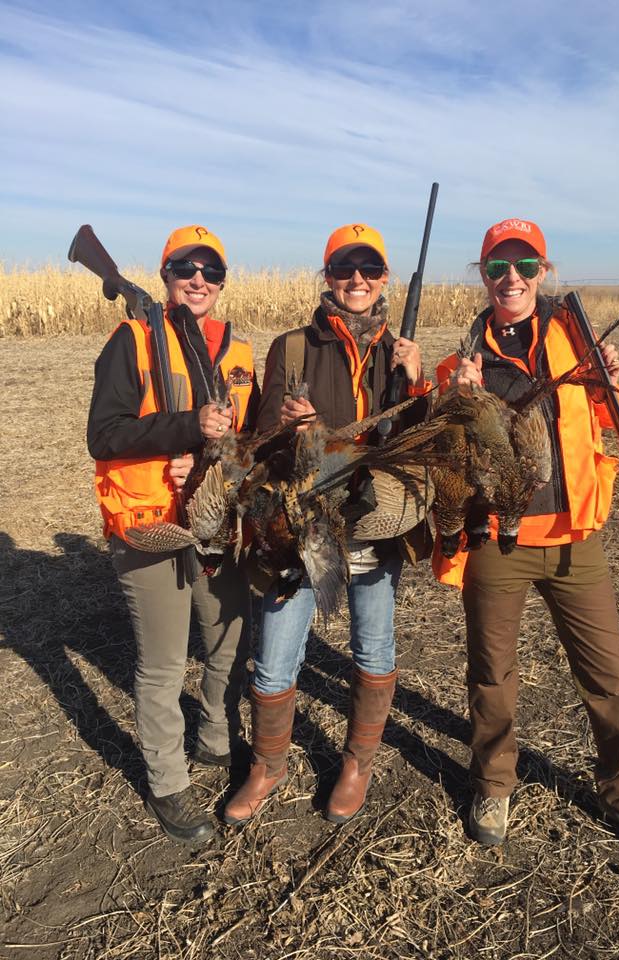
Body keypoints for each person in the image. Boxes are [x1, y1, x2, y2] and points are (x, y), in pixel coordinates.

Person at [433, 217, 619, 861]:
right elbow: (445, 458)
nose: (511, 278)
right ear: (482, 275)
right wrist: (451, 402)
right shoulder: (464, 361)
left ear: (544, 271)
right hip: (497, 541)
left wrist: (609, 380)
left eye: (525, 265)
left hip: (574, 539)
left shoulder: (578, 340)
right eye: (496, 267)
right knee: (493, 676)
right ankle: (493, 784)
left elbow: (608, 420)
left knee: (608, 676)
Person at [224, 222, 431, 826]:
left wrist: (417, 382)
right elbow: (259, 442)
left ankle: (357, 762)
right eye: (344, 269)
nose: (357, 281)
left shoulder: (403, 351)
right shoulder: (293, 348)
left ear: (386, 278)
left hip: (373, 526)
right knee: (278, 652)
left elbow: (418, 446)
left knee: (373, 645)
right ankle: (268, 764)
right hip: (299, 525)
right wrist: (292, 425)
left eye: (369, 269)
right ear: (328, 277)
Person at [87, 225, 260, 844]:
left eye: (211, 270)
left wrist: (213, 462)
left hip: (215, 521)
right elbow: (103, 435)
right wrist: (182, 429)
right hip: (150, 525)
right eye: (185, 267)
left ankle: (215, 738)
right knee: (161, 665)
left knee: (227, 635)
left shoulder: (239, 354)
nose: (198, 279)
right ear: (164, 276)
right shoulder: (132, 340)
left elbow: (249, 444)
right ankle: (167, 782)